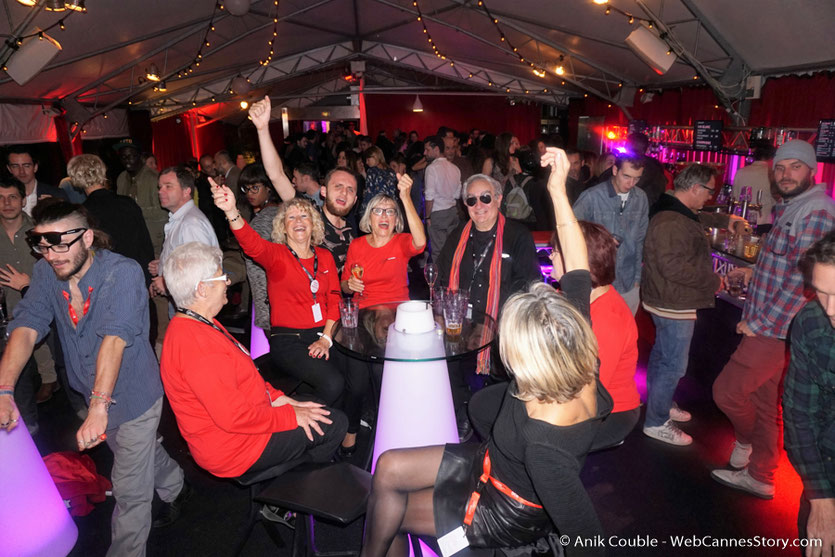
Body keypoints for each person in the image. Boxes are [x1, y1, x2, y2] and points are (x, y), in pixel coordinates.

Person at [360, 148, 611, 557]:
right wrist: (558, 189)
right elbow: (579, 268)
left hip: (502, 508)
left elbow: (587, 536)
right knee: (386, 465)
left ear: (526, 358)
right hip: (489, 459)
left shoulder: (544, 443)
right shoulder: (577, 349)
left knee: (389, 510)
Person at [0, 201, 188, 556]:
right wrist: (4, 389)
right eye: (42, 245)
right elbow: (26, 326)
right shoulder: (45, 273)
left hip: (133, 396)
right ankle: (176, 484)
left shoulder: (122, 272)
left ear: (86, 237)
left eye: (59, 244)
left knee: (130, 490)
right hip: (91, 395)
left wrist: (99, 407)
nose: (51, 255)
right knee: (136, 451)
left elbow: (113, 339)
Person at [160, 241, 346, 480]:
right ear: (202, 290)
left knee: (316, 407)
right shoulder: (195, 345)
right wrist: (291, 415)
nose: (227, 282)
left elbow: (244, 380)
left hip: (245, 425)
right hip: (236, 448)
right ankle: (296, 491)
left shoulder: (198, 321)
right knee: (336, 424)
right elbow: (234, 418)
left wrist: (283, 400)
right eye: (221, 278)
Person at [711, 140, 835, 499]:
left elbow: (804, 282)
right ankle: (762, 474)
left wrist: (761, 323)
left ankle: (746, 443)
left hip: (776, 329)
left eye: (796, 167)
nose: (786, 174)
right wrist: (754, 272)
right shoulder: (794, 208)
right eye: (780, 168)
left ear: (811, 171)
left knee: (727, 392)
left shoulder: (815, 212)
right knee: (766, 405)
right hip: (773, 325)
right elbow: (789, 262)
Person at [214, 183, 346, 406]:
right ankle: (297, 423)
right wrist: (231, 212)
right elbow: (252, 244)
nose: (298, 222)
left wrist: (326, 338)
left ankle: (339, 434)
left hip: (323, 334)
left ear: (313, 224)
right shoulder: (276, 255)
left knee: (351, 379)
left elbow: (335, 298)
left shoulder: (325, 257)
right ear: (283, 228)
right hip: (289, 340)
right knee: (333, 383)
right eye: (291, 218)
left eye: (304, 216)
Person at [641, 164, 736, 446]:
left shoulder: (674, 208)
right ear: (695, 188)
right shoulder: (671, 221)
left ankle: (661, 402)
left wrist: (722, 220)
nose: (710, 196)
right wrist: (713, 281)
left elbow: (693, 217)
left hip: (668, 297)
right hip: (674, 299)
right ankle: (656, 422)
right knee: (673, 364)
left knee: (662, 356)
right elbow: (672, 267)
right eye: (709, 190)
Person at [550, 221, 640, 446]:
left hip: (610, 411)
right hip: (576, 393)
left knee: (536, 439)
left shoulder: (608, 318)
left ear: (581, 262)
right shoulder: (573, 295)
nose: (550, 257)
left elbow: (590, 393)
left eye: (556, 252)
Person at [249, 96, 360, 275]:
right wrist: (262, 129)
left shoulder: (353, 230)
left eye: (350, 190)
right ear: (323, 191)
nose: (343, 193)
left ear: (355, 200)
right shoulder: (309, 213)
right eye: (338, 186)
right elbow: (276, 175)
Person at [783, 231, 835, 557]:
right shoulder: (811, 323)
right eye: (822, 292)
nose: (831, 309)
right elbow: (799, 413)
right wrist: (821, 497)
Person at [573, 154, 648, 315]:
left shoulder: (641, 198)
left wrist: (637, 279)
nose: (631, 183)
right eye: (626, 176)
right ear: (615, 170)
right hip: (597, 282)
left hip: (629, 283)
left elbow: (640, 241)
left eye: (637, 178)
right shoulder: (591, 196)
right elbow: (570, 231)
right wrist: (598, 238)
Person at [67, 154, 155, 287]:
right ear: (102, 172)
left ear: (75, 180)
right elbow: (144, 245)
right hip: (135, 276)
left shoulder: (81, 214)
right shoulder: (127, 203)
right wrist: (148, 281)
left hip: (104, 283)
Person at [341, 176, 426, 308]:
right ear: (369, 218)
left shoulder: (400, 241)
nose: (384, 216)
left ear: (396, 220)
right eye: (378, 211)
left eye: (390, 211)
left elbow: (420, 242)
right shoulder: (357, 245)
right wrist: (350, 284)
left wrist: (406, 197)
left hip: (397, 310)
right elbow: (344, 285)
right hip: (364, 311)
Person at [149, 166, 219, 302]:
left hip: (193, 304)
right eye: (160, 187)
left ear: (186, 191)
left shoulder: (190, 224)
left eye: (168, 186)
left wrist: (166, 283)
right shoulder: (182, 218)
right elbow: (187, 258)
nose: (160, 192)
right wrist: (164, 264)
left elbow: (201, 272)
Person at [238, 163, 281, 333]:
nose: (250, 193)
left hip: (269, 299)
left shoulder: (264, 219)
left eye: (255, 188)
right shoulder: (278, 211)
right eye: (246, 189)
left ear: (268, 187)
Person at [114, 138, 166, 256]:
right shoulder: (122, 178)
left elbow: (163, 211)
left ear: (140, 156)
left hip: (154, 240)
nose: (127, 160)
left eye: (131, 156)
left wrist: (134, 211)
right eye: (123, 157)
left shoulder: (154, 178)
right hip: (132, 239)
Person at [423, 135, 462, 259]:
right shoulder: (455, 168)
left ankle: (439, 278)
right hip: (453, 212)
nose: (425, 153)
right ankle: (452, 277)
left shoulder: (431, 168)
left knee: (438, 253)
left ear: (436, 149)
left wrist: (427, 216)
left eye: (427, 149)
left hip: (438, 214)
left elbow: (429, 197)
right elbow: (457, 194)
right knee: (452, 250)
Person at [5, 145, 67, 217]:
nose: (21, 171)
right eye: (15, 166)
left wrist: (56, 209)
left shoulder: (56, 194)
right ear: (9, 169)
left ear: (35, 167)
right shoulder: (3, 199)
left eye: (26, 166)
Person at [732, 141, 776, 224]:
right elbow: (775, 201)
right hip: (764, 221)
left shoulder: (741, 171)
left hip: (741, 220)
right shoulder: (772, 173)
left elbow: (734, 197)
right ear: (771, 157)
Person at [360, 146, 398, 213]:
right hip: (391, 207)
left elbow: (369, 192)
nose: (366, 162)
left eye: (368, 159)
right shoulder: (391, 172)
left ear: (375, 157)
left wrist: (363, 212)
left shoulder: (372, 171)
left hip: (376, 207)